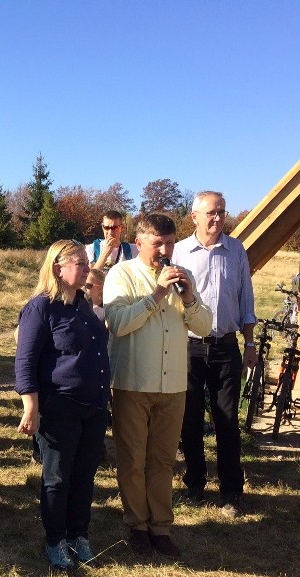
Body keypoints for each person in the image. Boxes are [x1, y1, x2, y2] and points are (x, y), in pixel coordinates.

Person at [104, 213, 212, 558]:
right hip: (133, 381)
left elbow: (206, 327)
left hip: (173, 384)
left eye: (169, 243)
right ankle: (137, 525)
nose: (166, 251)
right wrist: (157, 293)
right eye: (158, 244)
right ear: (139, 243)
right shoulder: (121, 274)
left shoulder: (185, 277)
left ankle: (161, 528)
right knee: (133, 459)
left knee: (163, 460)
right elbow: (118, 323)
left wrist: (190, 297)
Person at [15, 240, 110, 570]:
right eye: (80, 263)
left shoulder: (83, 304)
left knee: (85, 475)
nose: (87, 268)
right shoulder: (40, 308)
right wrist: (31, 407)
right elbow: (25, 361)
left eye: (87, 263)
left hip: (94, 406)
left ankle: (78, 535)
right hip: (60, 406)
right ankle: (55, 541)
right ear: (58, 267)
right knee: (57, 478)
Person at [173, 191, 257, 518]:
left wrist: (250, 345)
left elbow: (246, 301)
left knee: (226, 421)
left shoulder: (236, 250)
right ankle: (195, 482)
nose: (218, 218)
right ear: (194, 216)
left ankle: (231, 491)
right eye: (211, 212)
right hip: (189, 348)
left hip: (226, 347)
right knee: (189, 419)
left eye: (221, 212)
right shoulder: (179, 252)